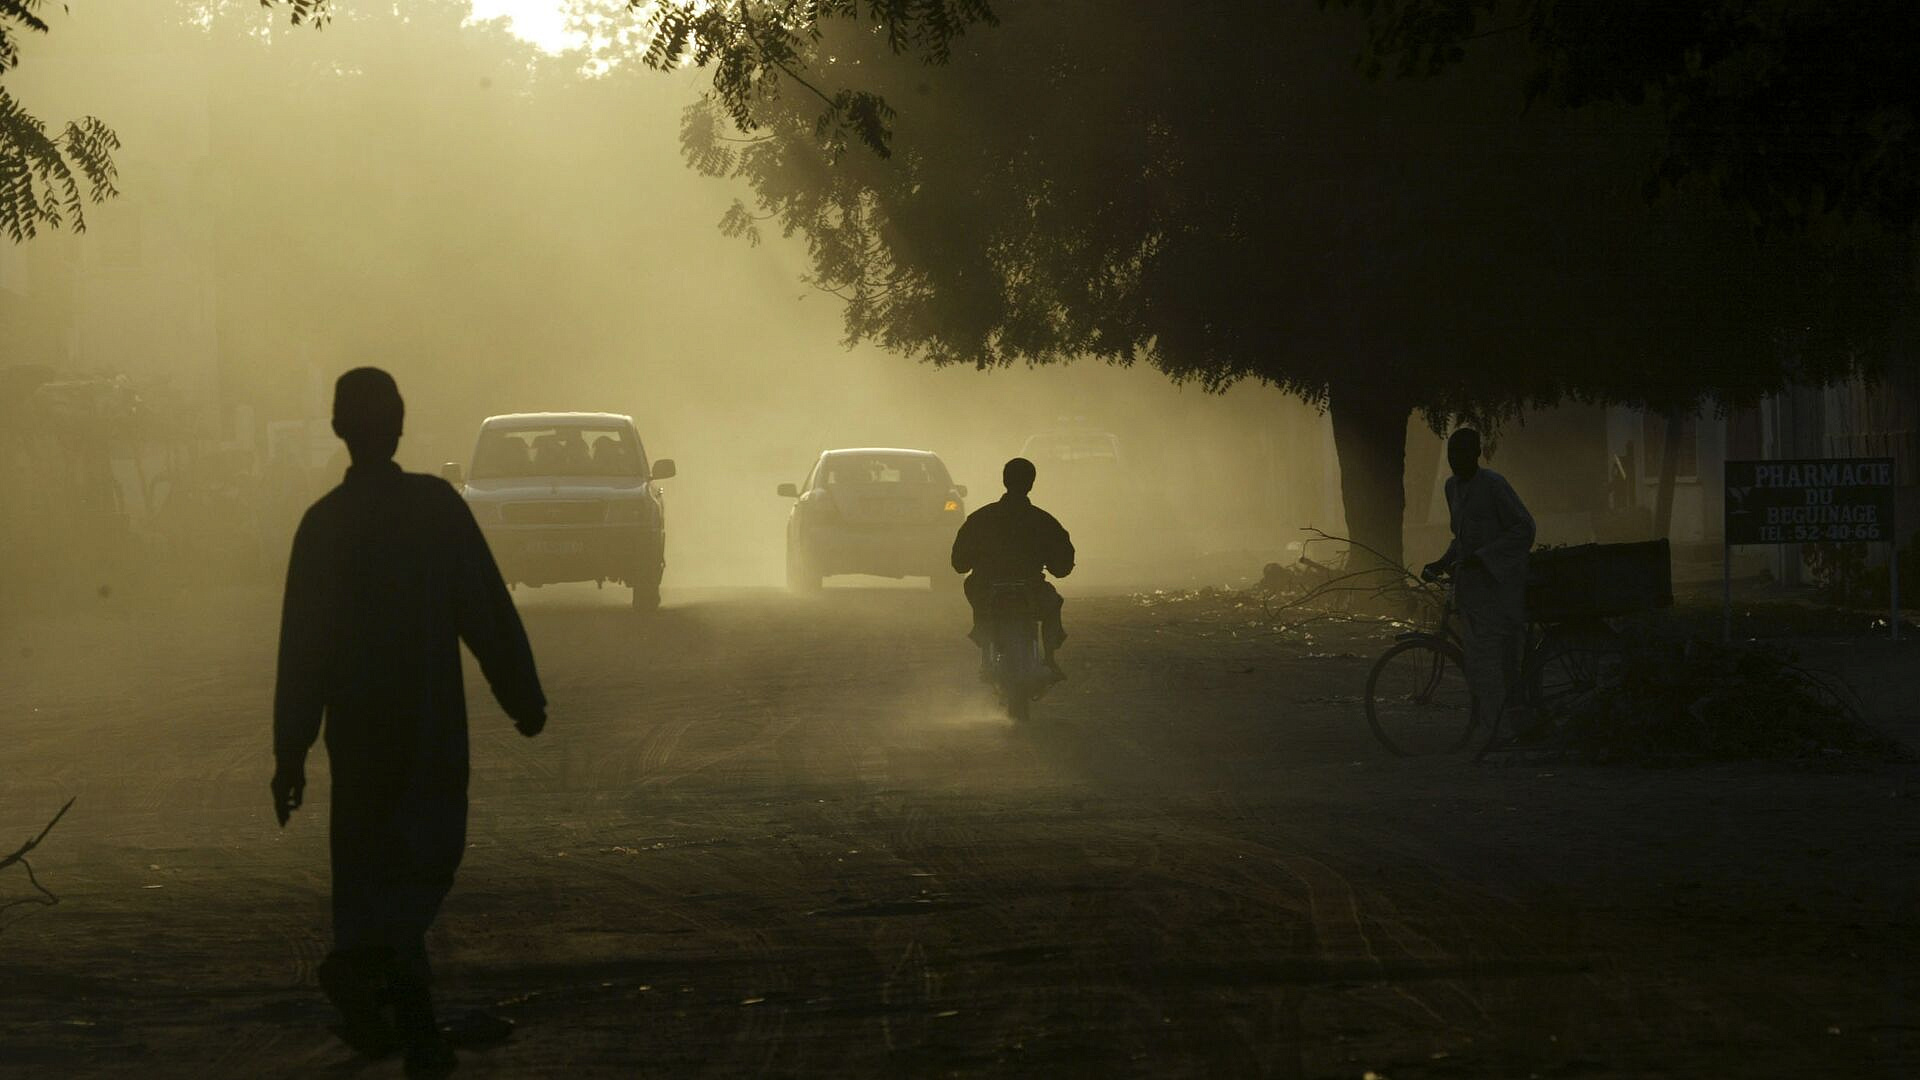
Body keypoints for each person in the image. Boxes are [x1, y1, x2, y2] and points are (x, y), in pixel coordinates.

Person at [272, 368, 546, 1075]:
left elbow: (300, 652)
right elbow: (484, 608)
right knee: (427, 853)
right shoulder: (434, 508)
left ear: (338, 429)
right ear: (399, 425)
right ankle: (398, 998)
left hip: (357, 734)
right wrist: (522, 695)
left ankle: (379, 981)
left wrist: (291, 753)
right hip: (428, 725)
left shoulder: (322, 526)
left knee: (366, 865)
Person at [1422, 428, 1536, 735]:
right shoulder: (1451, 488)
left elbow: (1524, 529)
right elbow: (1461, 537)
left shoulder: (1494, 485)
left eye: (1462, 455)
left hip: (1501, 584)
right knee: (1482, 660)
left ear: (1475, 455)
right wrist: (1442, 561)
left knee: (1493, 660)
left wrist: (1484, 556)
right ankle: (1502, 726)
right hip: (1472, 586)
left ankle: (1502, 729)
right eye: (1451, 456)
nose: (1456, 462)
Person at [950, 457, 1075, 675]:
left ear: (1004, 480)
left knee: (978, 597)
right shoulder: (1044, 521)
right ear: (1031, 483)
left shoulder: (980, 519)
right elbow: (1063, 565)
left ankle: (984, 646)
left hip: (986, 586)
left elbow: (959, 563)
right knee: (1053, 604)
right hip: (1031, 588)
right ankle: (1050, 659)